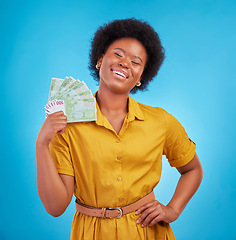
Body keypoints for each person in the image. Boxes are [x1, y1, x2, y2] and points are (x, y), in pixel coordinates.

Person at [36, 18, 203, 240]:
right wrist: (41, 145)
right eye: (118, 54)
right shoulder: (67, 125)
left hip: (148, 232)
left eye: (136, 62)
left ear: (141, 78)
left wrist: (173, 210)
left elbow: (192, 169)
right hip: (92, 233)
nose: (125, 63)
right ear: (100, 59)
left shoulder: (161, 121)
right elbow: (55, 208)